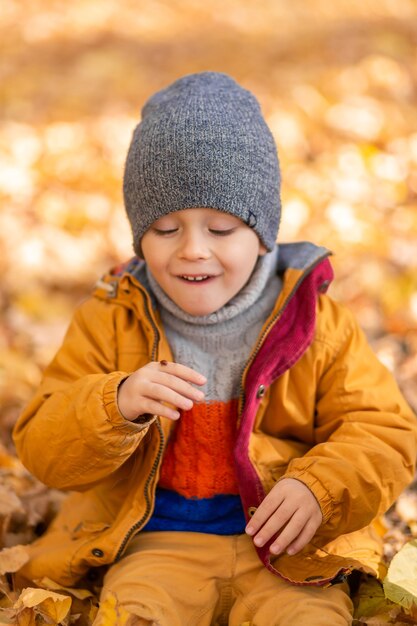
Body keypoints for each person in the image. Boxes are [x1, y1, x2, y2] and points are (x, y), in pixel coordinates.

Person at [13, 72, 417, 626]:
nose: (193, 251)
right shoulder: (112, 319)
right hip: (158, 543)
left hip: (289, 549)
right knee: (133, 614)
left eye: (223, 228)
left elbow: (384, 430)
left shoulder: (313, 322)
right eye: (164, 229)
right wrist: (117, 402)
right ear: (138, 235)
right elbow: (42, 444)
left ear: (263, 232)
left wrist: (320, 487)